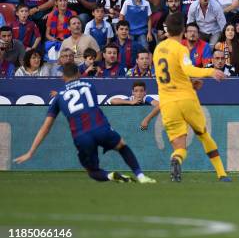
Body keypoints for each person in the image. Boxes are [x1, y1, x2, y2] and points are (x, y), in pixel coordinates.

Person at [14, 62, 156, 183]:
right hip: (101, 128)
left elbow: (45, 128)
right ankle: (141, 176)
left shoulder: (59, 96)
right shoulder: (89, 85)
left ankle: (110, 175)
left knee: (92, 171)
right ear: (78, 73)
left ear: (63, 77)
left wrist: (30, 152)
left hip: (81, 136)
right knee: (122, 146)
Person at [152, 12, 229, 182]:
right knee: (203, 134)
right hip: (186, 99)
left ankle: (176, 159)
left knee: (180, 147)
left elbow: (172, 73)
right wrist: (210, 71)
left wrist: (190, 81)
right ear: (183, 31)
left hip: (167, 102)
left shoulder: (158, 49)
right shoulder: (181, 49)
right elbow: (187, 69)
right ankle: (222, 174)